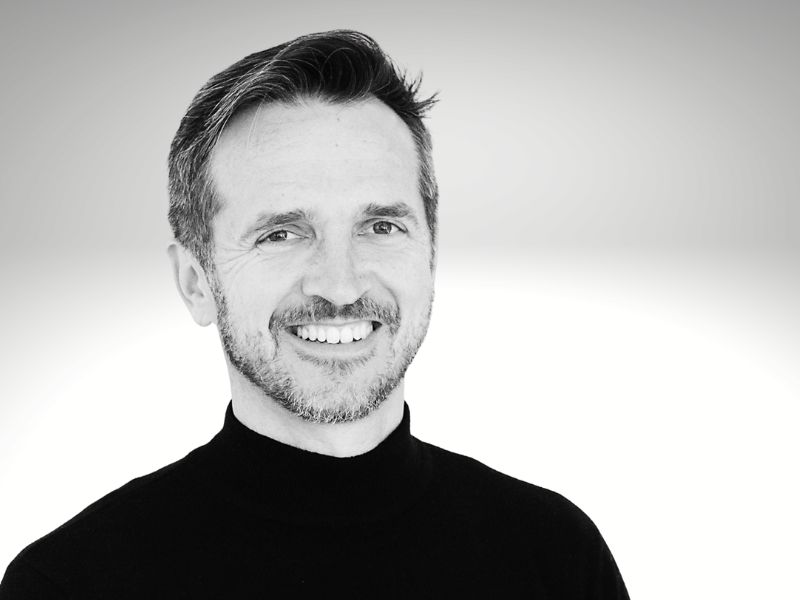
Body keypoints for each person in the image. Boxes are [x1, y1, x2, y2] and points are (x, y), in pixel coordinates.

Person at [0, 30, 629, 598]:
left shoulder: (556, 558)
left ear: (431, 255)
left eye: (380, 226)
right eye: (281, 234)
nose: (341, 284)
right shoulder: (69, 583)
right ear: (195, 282)